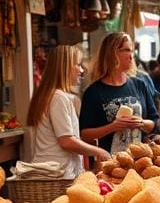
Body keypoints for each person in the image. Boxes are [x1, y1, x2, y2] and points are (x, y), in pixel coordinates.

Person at [24, 45, 109, 178]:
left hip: (54, 173)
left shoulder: (51, 95)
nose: (82, 70)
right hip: (56, 176)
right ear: (66, 67)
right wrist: (98, 151)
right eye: (78, 65)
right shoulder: (58, 98)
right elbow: (67, 141)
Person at [79, 32, 158, 155]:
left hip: (141, 160)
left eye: (132, 50)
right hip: (109, 163)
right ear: (112, 53)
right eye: (126, 50)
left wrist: (141, 122)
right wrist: (113, 127)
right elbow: (85, 135)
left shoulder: (140, 85)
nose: (131, 56)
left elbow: (155, 123)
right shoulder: (93, 92)